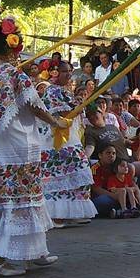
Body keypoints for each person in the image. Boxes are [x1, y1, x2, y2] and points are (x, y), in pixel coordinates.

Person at [0, 15, 67, 277]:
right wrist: (55, 121)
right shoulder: (11, 73)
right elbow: (31, 103)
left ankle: (34, 252)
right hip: (14, 144)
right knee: (16, 200)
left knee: (3, 199)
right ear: (11, 44)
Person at [38, 61, 96, 228]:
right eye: (65, 71)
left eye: (70, 71)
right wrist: (79, 105)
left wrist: (79, 103)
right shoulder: (52, 90)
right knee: (58, 176)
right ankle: (56, 214)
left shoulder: (66, 91)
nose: (68, 74)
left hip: (70, 136)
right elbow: (64, 113)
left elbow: (74, 112)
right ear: (56, 72)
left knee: (79, 171)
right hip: (56, 139)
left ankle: (72, 211)